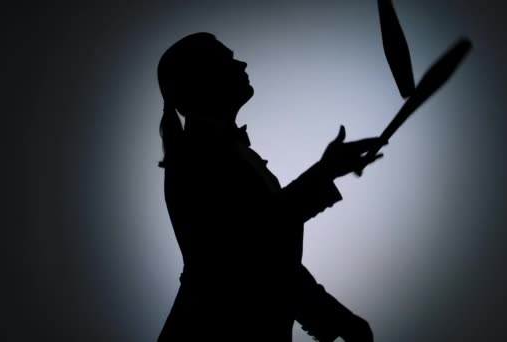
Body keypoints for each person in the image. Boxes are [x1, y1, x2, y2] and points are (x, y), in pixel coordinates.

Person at [156, 32, 385, 342]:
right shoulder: (197, 154)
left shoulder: (223, 151)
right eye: (228, 59)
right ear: (202, 79)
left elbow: (270, 259)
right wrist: (326, 170)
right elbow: (251, 245)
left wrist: (338, 320)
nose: (242, 63)